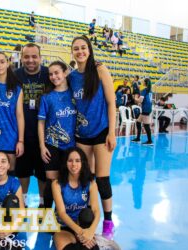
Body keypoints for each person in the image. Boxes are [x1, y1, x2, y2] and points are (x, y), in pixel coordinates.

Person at [69, 35, 117, 240]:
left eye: (83, 48)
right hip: (82, 134)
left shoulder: (100, 70)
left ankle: (108, 221)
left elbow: (111, 103)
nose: (80, 52)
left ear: (89, 49)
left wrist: (112, 132)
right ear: (72, 52)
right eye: (76, 49)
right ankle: (88, 218)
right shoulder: (71, 77)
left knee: (102, 178)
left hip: (101, 132)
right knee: (86, 179)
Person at [14, 43, 50, 208]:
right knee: (22, 171)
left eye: (34, 56)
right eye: (26, 57)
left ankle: (43, 202)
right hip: (22, 133)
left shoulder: (49, 74)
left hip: (45, 134)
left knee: (43, 173)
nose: (30, 60)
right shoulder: (14, 75)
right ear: (22, 58)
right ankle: (24, 200)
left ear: (40, 58)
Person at [38, 61, 76, 209]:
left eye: (57, 73)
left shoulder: (74, 94)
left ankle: (62, 214)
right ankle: (48, 215)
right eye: (51, 74)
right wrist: (42, 146)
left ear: (65, 72)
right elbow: (41, 123)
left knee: (67, 182)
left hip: (71, 146)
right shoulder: (47, 97)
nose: (53, 77)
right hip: (52, 145)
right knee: (51, 183)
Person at [0, 52, 24, 176]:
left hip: (10, 138)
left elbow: (19, 115)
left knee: (10, 177)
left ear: (7, 63)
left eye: (2, 62)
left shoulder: (17, 89)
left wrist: (20, 141)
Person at [52, 147, 100, 250]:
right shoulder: (57, 184)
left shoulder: (91, 183)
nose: (74, 164)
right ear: (65, 163)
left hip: (83, 225)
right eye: (70, 161)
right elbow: (62, 213)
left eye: (77, 160)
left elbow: (96, 210)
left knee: (94, 248)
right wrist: (80, 232)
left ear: (83, 163)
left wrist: (91, 231)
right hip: (64, 226)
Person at [132, 78, 153, 145]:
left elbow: (140, 100)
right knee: (138, 122)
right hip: (147, 109)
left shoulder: (144, 90)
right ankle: (138, 138)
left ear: (145, 83)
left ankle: (150, 141)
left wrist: (135, 98)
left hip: (146, 110)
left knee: (146, 126)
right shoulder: (150, 91)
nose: (142, 83)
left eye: (143, 82)